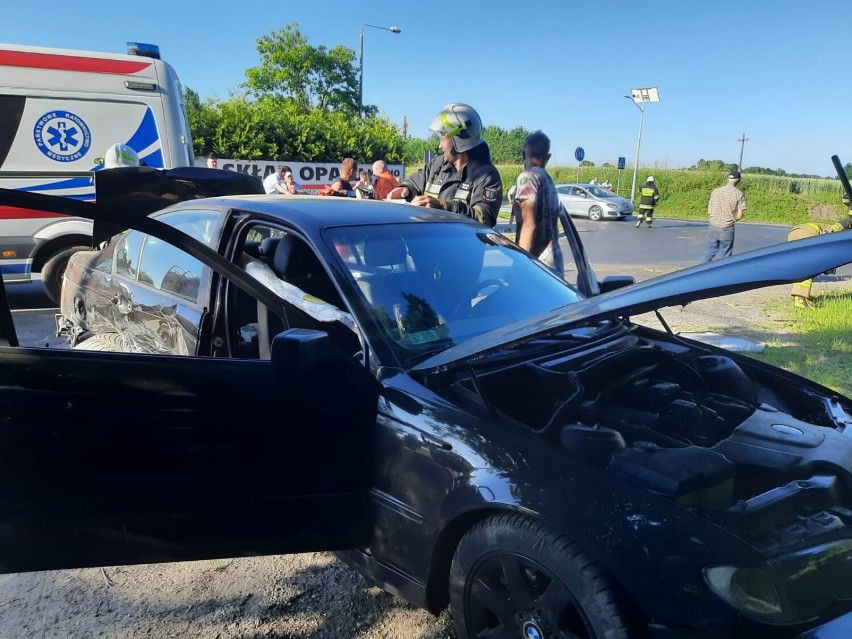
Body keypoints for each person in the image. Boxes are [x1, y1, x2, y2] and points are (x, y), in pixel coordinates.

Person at [386, 103, 502, 227]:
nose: (439, 146)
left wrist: (445, 207)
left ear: (460, 139)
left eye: (442, 139)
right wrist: (406, 190)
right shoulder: (436, 165)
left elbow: (484, 219)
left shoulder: (486, 176)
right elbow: (414, 183)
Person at [511, 131, 564, 277]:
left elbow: (530, 225)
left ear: (523, 154)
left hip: (536, 263)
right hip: (553, 259)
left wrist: (520, 265)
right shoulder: (548, 180)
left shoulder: (527, 178)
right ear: (548, 157)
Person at [786, 198, 852, 309]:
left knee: (805, 264)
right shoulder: (838, 233)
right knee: (809, 266)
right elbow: (836, 228)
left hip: (795, 233)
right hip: (807, 233)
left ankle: (803, 297)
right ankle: (800, 299)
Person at [700, 170, 747, 262]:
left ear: (727, 178)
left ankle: (700, 270)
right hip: (727, 227)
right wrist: (733, 219)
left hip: (713, 225)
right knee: (726, 254)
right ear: (738, 180)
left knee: (710, 251)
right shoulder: (739, 194)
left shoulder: (716, 191)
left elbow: (709, 211)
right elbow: (740, 215)